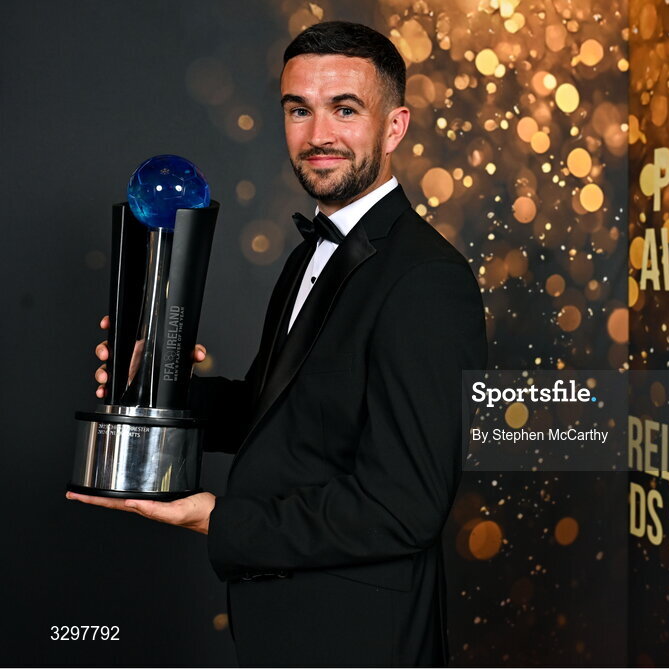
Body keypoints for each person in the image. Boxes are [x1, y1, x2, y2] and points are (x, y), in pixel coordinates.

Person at [70, 20, 487, 667]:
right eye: (299, 109)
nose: (318, 134)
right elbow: (278, 414)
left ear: (395, 125)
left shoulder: (427, 280)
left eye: (344, 109)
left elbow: (405, 506)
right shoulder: (309, 258)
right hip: (287, 631)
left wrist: (221, 519)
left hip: (361, 642)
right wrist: (159, 384)